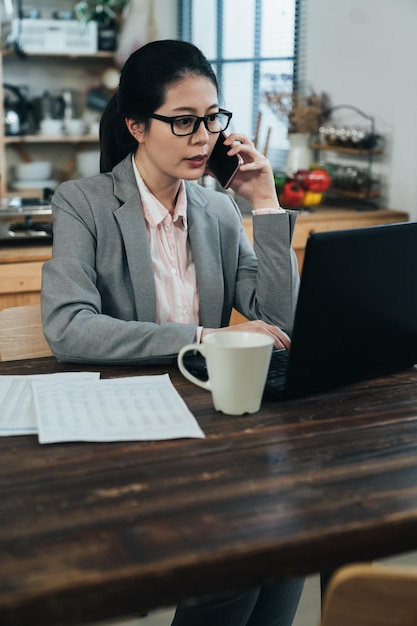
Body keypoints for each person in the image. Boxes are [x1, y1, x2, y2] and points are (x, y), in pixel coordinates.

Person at [41, 39, 303, 625]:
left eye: (212, 119)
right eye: (183, 122)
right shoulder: (83, 204)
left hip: (211, 422)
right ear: (136, 124)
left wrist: (265, 202)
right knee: (233, 570)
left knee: (289, 546)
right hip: (129, 431)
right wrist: (201, 338)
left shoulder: (216, 211)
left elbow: (278, 319)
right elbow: (70, 330)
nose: (203, 137)